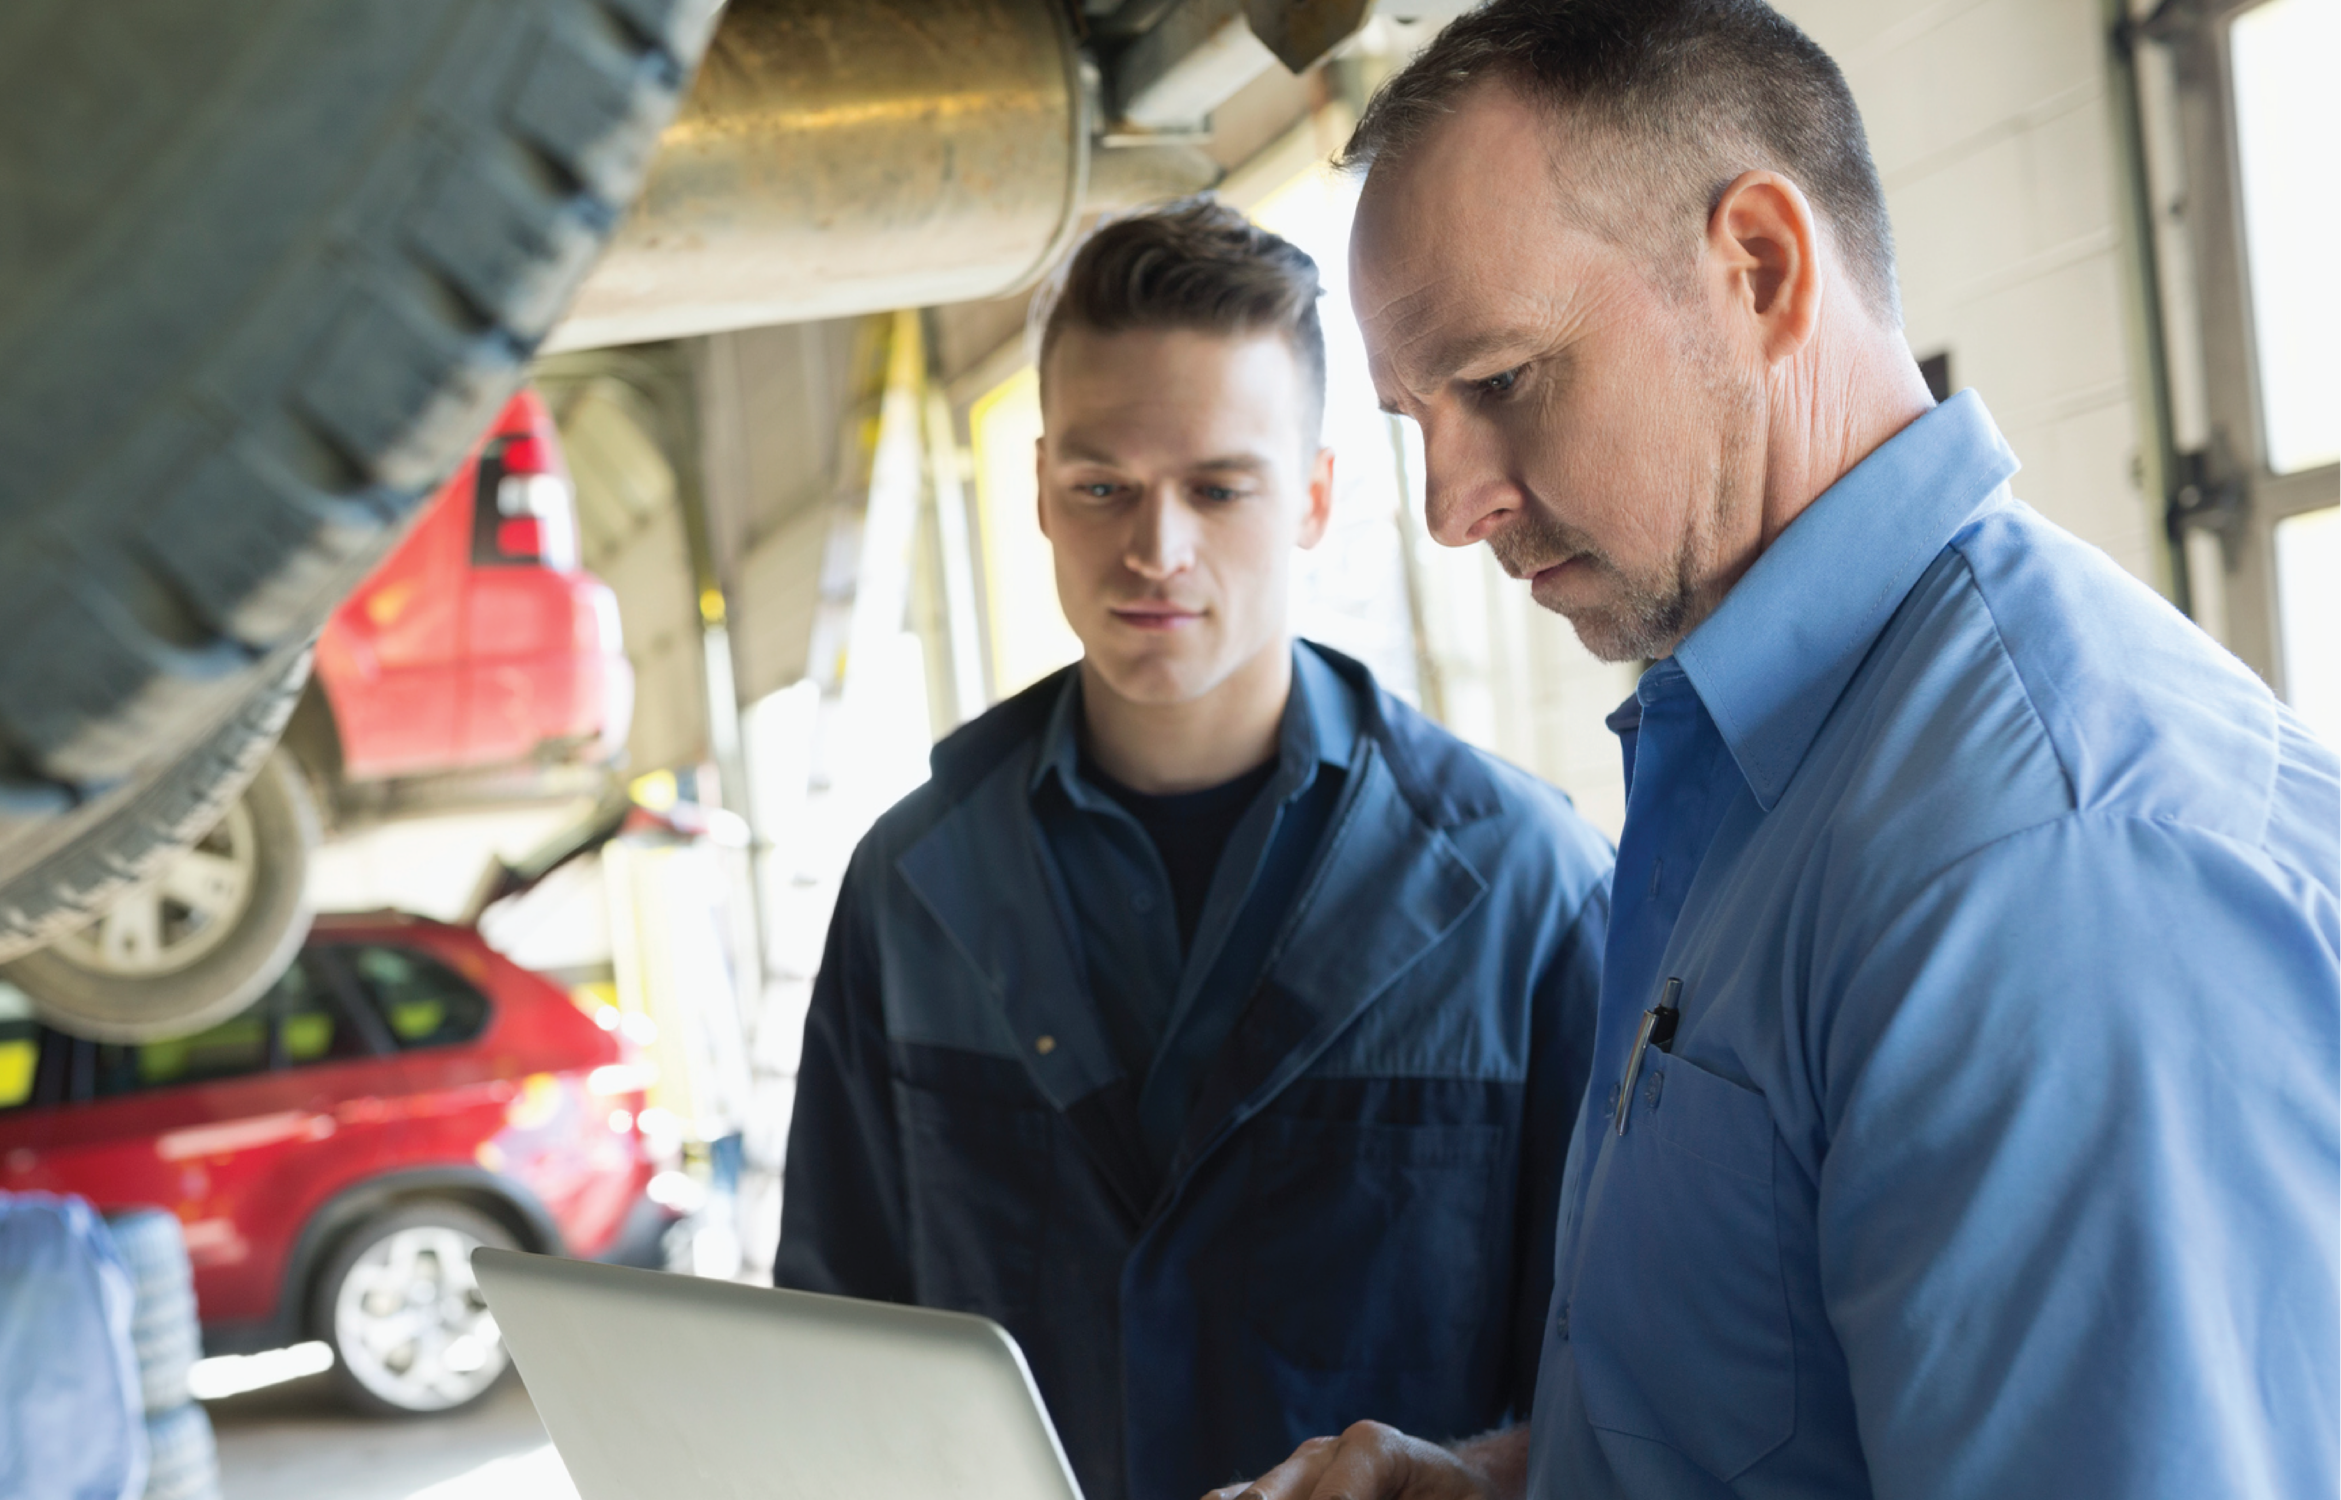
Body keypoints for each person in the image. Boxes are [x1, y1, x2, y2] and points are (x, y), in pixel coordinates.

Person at [1218, 3, 2341, 1498]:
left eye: (1498, 382)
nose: (1451, 504)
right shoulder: (1766, 763)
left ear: (1759, 268)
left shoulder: (2041, 867)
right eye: (1417, 416)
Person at [773, 199, 1615, 1500]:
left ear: (1316, 498)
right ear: (1041, 491)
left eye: (1219, 487)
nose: (1154, 552)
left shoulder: (1524, 889)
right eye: (1101, 487)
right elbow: (830, 1350)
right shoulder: (911, 893)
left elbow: (1612, 1390)